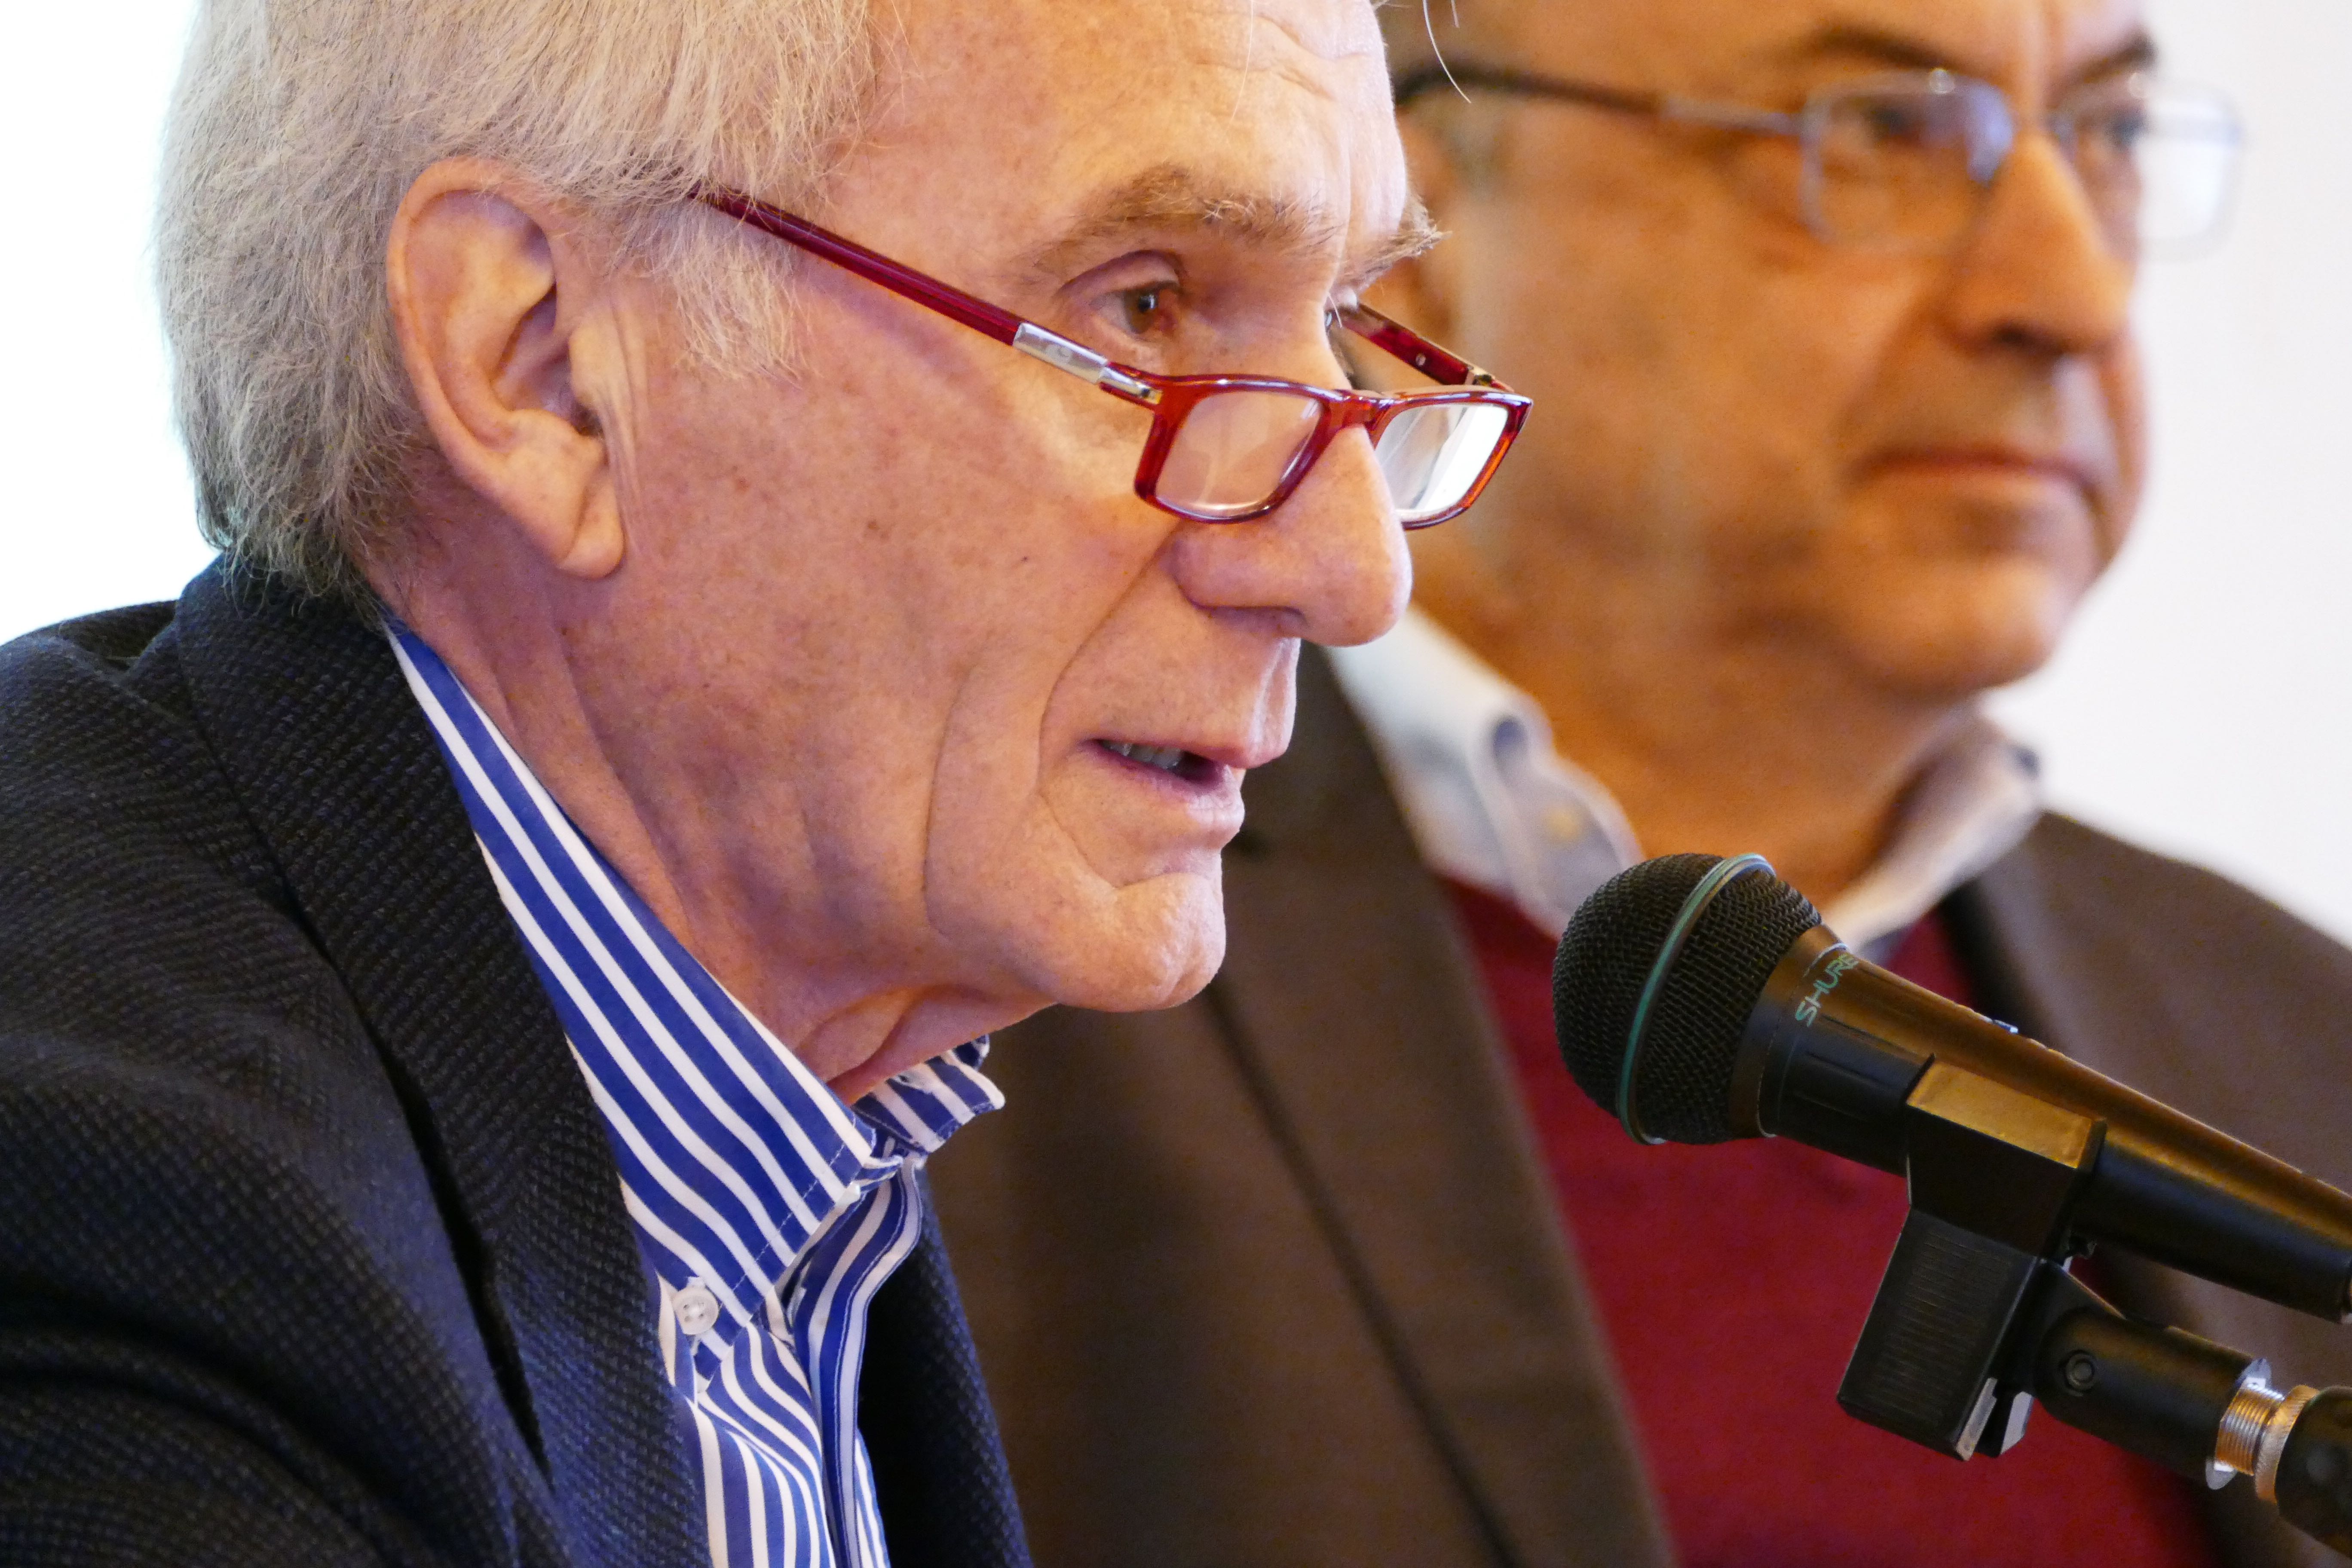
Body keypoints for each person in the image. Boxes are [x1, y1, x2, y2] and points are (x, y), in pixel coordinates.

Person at [0, 0, 1533, 1562]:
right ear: (545, 367)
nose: (1354, 573)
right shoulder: (115, 1203)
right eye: (1146, 310)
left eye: (1348, 319)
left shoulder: (779, 1154)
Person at [928, 0, 2352, 1565]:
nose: (2067, 293)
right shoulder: (973, 989)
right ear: (1412, 243)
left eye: (2108, 138)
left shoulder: (2295, 1034)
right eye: (1885, 130)